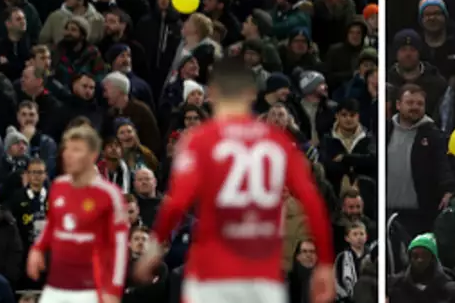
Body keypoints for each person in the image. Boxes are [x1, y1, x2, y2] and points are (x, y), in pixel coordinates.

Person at [136, 57, 334, 303]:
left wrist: (155, 247)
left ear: (214, 93)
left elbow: (176, 202)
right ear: (251, 94)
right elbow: (312, 203)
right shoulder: (277, 142)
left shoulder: (199, 140)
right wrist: (325, 262)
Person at [25, 124, 129, 303]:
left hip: (90, 290)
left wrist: (114, 289)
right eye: (67, 149)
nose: (68, 155)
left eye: (77, 150)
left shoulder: (109, 195)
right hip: (56, 286)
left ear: (93, 155)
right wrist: (38, 248)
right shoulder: (58, 186)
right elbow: (52, 224)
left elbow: (119, 246)